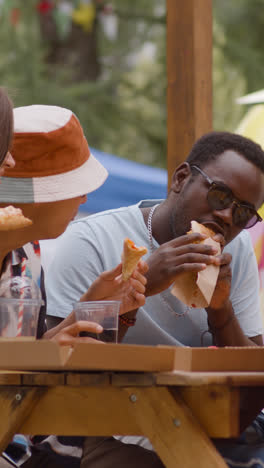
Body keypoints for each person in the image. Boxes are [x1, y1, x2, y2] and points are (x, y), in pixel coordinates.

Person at [45, 131, 264, 467]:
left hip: (209, 420)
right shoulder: (93, 239)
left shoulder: (236, 252)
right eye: (220, 196)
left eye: (243, 213)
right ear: (180, 179)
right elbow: (59, 369)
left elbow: (253, 373)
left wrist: (221, 312)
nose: (225, 218)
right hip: (108, 421)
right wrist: (142, 285)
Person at [0, 104, 163, 468]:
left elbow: (24, 358)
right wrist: (45, 353)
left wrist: (90, 308)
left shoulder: (29, 253)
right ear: (35, 194)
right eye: (76, 186)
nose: (85, 198)